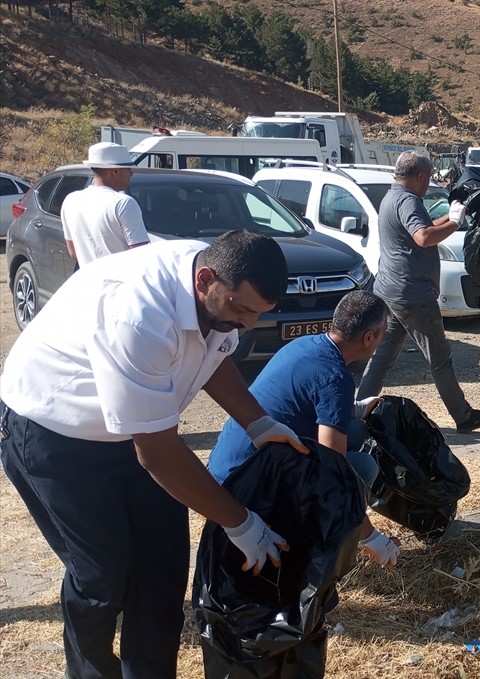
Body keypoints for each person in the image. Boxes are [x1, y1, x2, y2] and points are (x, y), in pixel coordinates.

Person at [0, 230, 307, 678]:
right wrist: (239, 522)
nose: (248, 324)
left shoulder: (219, 296)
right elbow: (159, 455)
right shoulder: (139, 314)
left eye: (259, 314)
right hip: (55, 433)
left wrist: (257, 423)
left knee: (161, 574)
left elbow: (213, 357)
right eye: (242, 310)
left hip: (133, 430)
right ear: (205, 279)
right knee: (102, 579)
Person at [207, 289, 402, 567]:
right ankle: (323, 546)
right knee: (362, 468)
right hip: (246, 487)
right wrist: (370, 537)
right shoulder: (335, 378)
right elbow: (332, 474)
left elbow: (303, 398)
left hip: (224, 468)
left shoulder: (307, 345)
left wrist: (354, 408)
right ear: (369, 337)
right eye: (382, 334)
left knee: (356, 431)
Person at [357, 151, 480, 433]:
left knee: (382, 358)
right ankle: (463, 416)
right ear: (421, 176)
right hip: (413, 294)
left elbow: (421, 229)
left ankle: (358, 409)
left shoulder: (392, 196)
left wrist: (453, 215)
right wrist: (456, 224)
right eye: (429, 177)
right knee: (440, 357)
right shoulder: (409, 200)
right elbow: (423, 237)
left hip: (391, 290)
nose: (429, 182)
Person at [61, 142, 150, 266]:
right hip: (120, 283)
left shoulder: (70, 200)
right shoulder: (124, 203)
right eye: (128, 168)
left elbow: (73, 253)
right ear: (115, 172)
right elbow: (140, 256)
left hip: (86, 281)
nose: (131, 173)